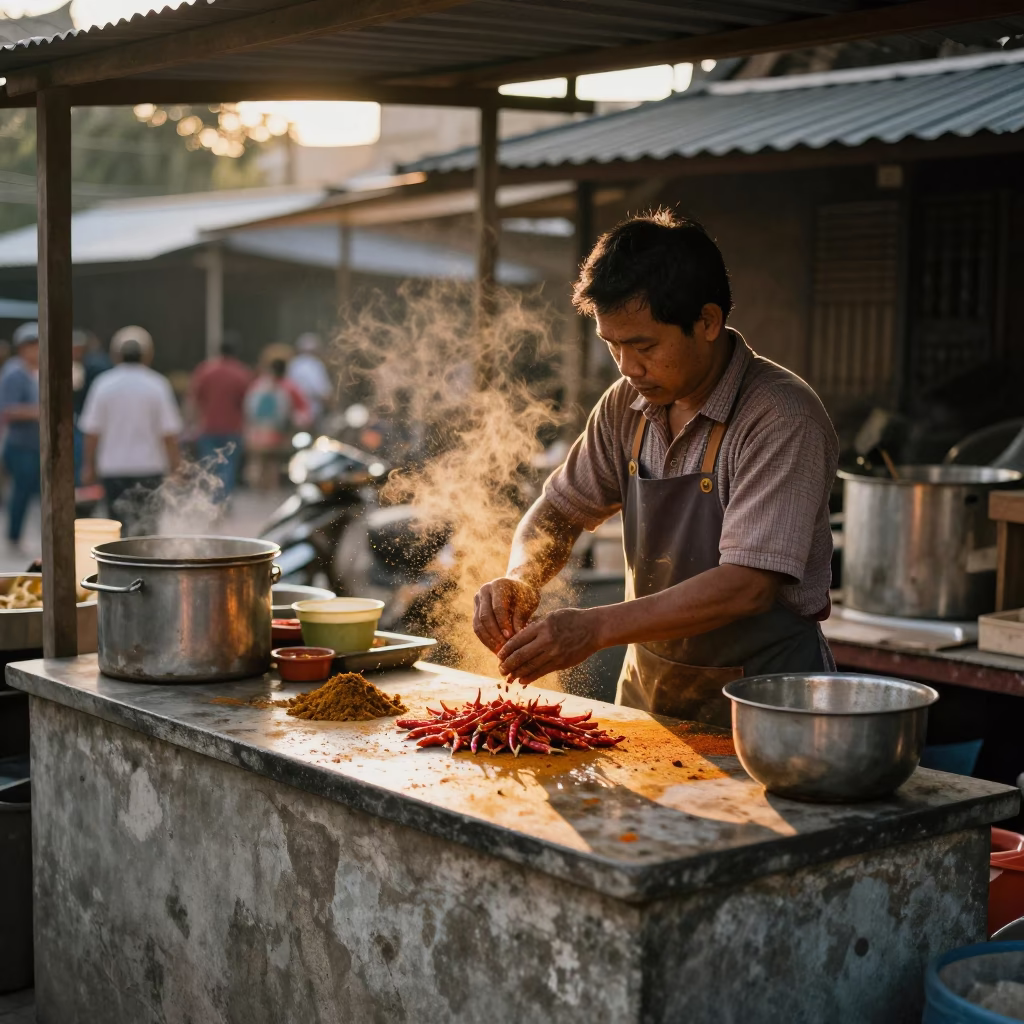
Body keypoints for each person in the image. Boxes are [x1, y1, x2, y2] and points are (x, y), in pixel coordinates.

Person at [474, 212, 839, 726]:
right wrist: (520, 577)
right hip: (651, 702)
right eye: (612, 345)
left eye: (644, 346)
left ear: (708, 322)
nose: (626, 367)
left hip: (770, 709)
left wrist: (593, 628)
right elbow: (557, 510)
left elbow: (747, 586)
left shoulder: (781, 418)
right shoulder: (625, 405)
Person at [79, 326, 183, 536]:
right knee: (149, 531)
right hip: (150, 469)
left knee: (117, 531)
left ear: (115, 355)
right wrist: (176, 467)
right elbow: (169, 434)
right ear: (148, 354)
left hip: (113, 469)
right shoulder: (157, 384)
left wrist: (88, 465)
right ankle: (147, 567)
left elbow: (91, 432)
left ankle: (120, 568)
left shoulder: (103, 384)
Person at [189, 338, 253, 502]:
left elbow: (195, 399)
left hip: (208, 427)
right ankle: (222, 501)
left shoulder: (205, 371)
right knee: (228, 467)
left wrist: (191, 422)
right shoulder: (241, 373)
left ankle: (212, 501)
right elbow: (247, 403)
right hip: (232, 428)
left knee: (210, 466)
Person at [0, 322, 40, 548]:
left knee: (30, 493)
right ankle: (13, 536)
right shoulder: (14, 373)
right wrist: (37, 412)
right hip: (18, 444)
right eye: (32, 346)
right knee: (20, 492)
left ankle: (24, 534)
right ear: (22, 348)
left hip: (33, 444)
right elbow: (7, 409)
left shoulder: (35, 372)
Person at [244, 358, 310, 490]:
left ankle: (259, 488)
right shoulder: (289, 386)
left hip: (257, 430)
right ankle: (271, 488)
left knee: (259, 460)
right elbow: (303, 409)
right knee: (273, 461)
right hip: (278, 431)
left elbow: (248, 406)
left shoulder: (259, 384)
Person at [286, 332, 331, 427]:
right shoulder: (315, 365)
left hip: (293, 413)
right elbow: (323, 392)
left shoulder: (292, 364)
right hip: (312, 413)